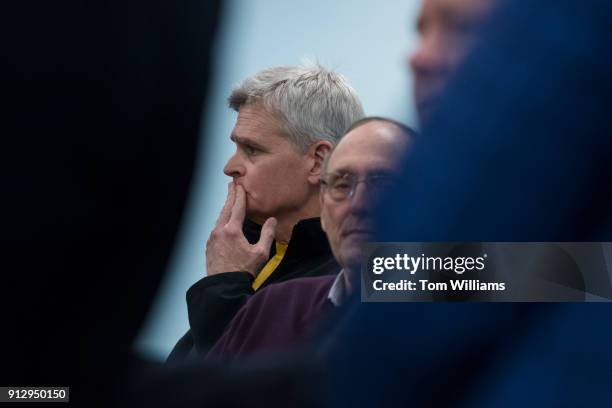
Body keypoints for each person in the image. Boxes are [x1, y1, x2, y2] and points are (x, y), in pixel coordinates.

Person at [168, 64, 365, 361]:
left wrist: (224, 290)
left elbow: (260, 391)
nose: (230, 167)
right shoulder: (248, 261)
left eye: (252, 150)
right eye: (235, 147)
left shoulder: (359, 278)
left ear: (318, 161)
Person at [205, 117, 415, 360]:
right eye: (341, 184)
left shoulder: (458, 286)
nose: (357, 203)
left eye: (383, 184)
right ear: (323, 206)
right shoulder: (271, 308)